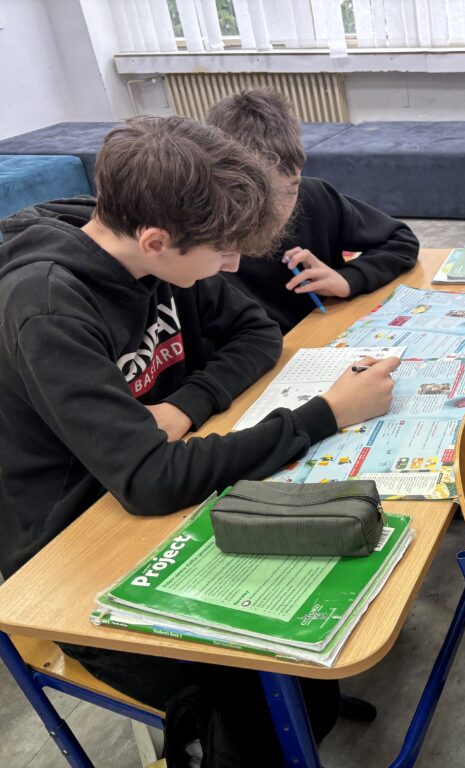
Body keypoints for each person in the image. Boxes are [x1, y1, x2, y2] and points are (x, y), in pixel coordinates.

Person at [0, 116, 399, 766]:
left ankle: (299, 710)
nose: (233, 265)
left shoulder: (160, 242)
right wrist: (323, 415)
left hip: (149, 488)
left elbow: (257, 331)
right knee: (257, 680)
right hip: (71, 545)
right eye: (221, 254)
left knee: (323, 586)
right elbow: (150, 481)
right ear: (156, 242)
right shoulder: (47, 306)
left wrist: (185, 406)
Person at [206, 88, 420, 333]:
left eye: (290, 190)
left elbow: (400, 240)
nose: (277, 212)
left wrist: (348, 279)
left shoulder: (314, 197)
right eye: (259, 197)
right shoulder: (202, 249)